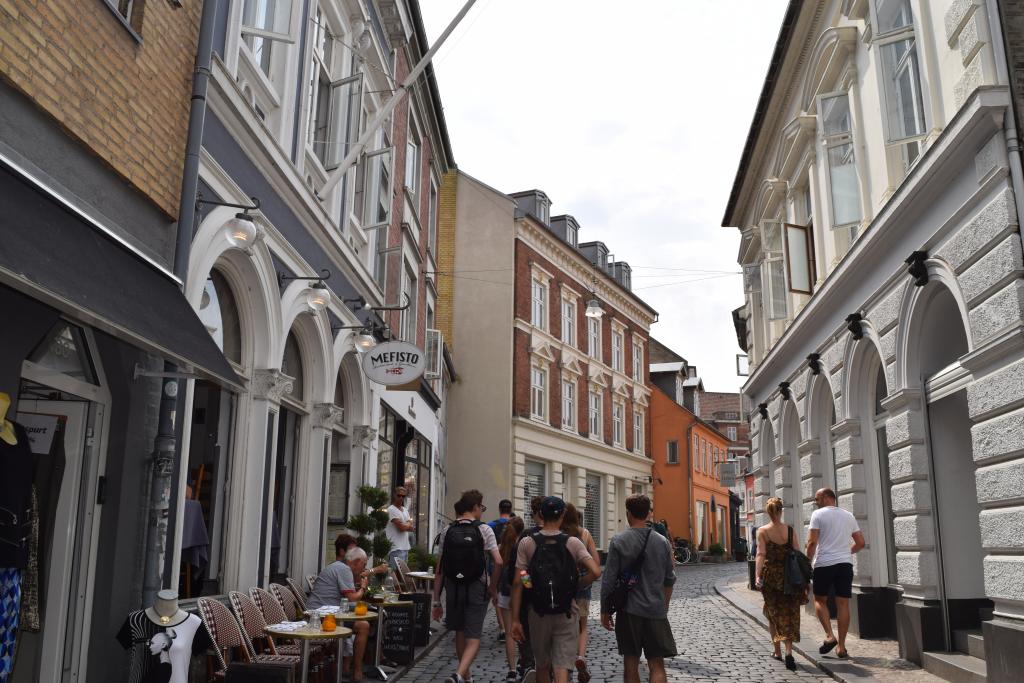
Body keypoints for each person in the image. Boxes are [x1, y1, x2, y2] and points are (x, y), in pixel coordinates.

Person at [511, 497, 601, 683]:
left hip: (538, 612)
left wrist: (528, 589)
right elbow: (595, 571)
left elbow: (519, 580)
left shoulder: (527, 543)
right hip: (566, 610)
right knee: (562, 666)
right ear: (562, 516)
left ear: (541, 514)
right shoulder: (573, 543)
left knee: (542, 665)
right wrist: (577, 585)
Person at [600, 494, 677, 683]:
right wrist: (664, 606)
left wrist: (605, 610)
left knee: (631, 663)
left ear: (628, 513)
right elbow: (669, 579)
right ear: (648, 514)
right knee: (657, 664)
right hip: (655, 610)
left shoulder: (619, 541)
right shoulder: (662, 541)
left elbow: (608, 580)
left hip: (628, 612)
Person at [432, 490, 503, 683]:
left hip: (453, 587)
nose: (482, 511)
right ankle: (458, 675)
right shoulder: (484, 530)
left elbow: (440, 569)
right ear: (475, 507)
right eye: (482, 507)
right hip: (477, 586)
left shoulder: (447, 530)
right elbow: (498, 561)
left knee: (460, 632)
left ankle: (466, 677)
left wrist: (436, 601)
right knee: (473, 638)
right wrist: (493, 587)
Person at [806, 488, 865, 660]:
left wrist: (807, 562)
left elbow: (812, 542)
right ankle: (842, 647)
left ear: (826, 497)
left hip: (824, 563)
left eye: (817, 499)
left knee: (819, 600)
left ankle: (830, 636)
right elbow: (861, 543)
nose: (815, 502)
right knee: (843, 604)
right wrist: (846, 552)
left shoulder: (818, 515)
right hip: (845, 564)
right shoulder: (848, 515)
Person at [308, 541, 372, 681]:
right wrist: (363, 587)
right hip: (320, 617)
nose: (364, 568)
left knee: (358, 622)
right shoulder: (344, 570)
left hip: (320, 613)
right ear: (356, 561)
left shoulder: (339, 566)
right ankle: (357, 671)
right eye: (363, 564)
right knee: (363, 626)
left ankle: (345, 668)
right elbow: (352, 598)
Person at [755, 496, 804, 671]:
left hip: (771, 578)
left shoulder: (763, 531)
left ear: (768, 512)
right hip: (790, 578)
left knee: (773, 613)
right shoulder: (789, 530)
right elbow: (797, 553)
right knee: (789, 613)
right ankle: (789, 651)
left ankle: (777, 651)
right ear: (781, 511)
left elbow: (761, 554)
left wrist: (757, 575)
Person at [560, 503, 599, 683]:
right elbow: (596, 563)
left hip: (561, 587)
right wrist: (584, 582)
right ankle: (581, 656)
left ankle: (565, 661)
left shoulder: (558, 534)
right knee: (582, 626)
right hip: (582, 585)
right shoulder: (585, 534)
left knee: (563, 626)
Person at [496, 516, 526, 682]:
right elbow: (524, 572)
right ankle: (526, 663)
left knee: (509, 633)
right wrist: (529, 586)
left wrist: (493, 589)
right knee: (524, 629)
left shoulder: (502, 546)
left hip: (504, 593)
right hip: (520, 593)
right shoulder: (523, 545)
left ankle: (512, 671)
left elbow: (496, 570)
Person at [489, 498, 515, 640]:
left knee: (497, 595)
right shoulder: (515, 524)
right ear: (510, 510)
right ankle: (511, 622)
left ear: (499, 509)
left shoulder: (491, 525)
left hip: (494, 563)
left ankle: (502, 627)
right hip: (511, 564)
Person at [386, 485, 414, 569]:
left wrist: (405, 525)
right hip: (395, 548)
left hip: (405, 547)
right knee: (395, 574)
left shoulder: (405, 510)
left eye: (403, 496)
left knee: (403, 575)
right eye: (399, 495)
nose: (401, 498)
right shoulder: (391, 509)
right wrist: (407, 525)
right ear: (394, 495)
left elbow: (411, 526)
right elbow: (402, 528)